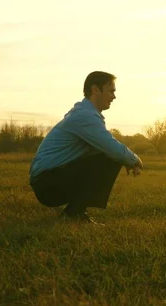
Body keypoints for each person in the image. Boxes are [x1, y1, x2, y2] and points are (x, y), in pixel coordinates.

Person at [29, 71, 143, 224]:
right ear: (95, 90)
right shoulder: (84, 117)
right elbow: (111, 148)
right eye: (111, 91)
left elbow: (106, 148)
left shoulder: (85, 115)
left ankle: (75, 212)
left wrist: (124, 159)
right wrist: (134, 160)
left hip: (47, 180)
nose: (114, 97)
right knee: (109, 157)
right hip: (46, 184)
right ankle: (73, 213)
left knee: (108, 155)